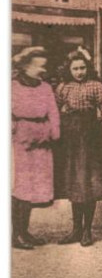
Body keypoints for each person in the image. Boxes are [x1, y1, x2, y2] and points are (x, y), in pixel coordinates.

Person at [54, 49, 102, 246]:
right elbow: (56, 110)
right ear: (69, 69)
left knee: (88, 184)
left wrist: (95, 131)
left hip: (91, 139)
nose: (79, 72)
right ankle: (75, 230)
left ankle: (87, 231)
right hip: (70, 139)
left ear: (88, 68)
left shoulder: (97, 86)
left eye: (82, 67)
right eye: (75, 68)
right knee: (75, 183)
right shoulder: (63, 87)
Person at [11, 47, 61, 250]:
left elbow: (53, 112)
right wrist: (18, 131)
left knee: (32, 189)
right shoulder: (11, 87)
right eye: (39, 66)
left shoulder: (45, 87)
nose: (43, 70)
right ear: (25, 66)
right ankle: (15, 235)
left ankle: (25, 232)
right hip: (19, 144)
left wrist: (52, 132)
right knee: (18, 188)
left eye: (44, 66)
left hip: (42, 142)